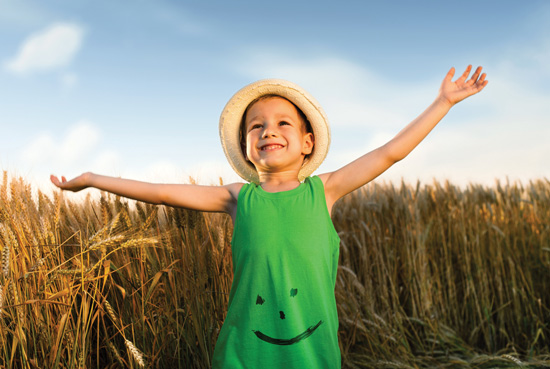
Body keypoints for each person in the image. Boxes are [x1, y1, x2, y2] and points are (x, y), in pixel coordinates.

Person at [51, 65, 488, 368]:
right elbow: (164, 193)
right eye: (256, 126)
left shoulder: (326, 190)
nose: (268, 131)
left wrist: (442, 103)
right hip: (244, 354)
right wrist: (93, 178)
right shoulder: (238, 198)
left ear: (307, 142)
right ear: (245, 147)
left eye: (283, 123)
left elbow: (390, 152)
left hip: (312, 354)